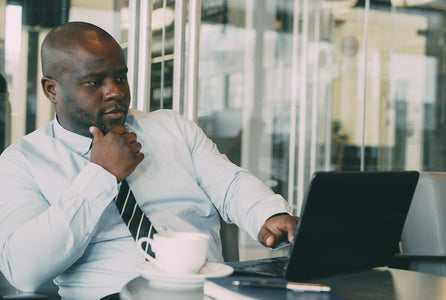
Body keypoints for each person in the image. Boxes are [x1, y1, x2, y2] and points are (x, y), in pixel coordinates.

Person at [0, 21, 298, 300]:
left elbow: (231, 184)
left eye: (120, 77)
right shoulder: (21, 162)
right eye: (94, 82)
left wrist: (268, 215)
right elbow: (24, 271)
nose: (115, 92)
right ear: (51, 89)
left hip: (207, 290)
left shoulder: (172, 128)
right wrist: (101, 175)